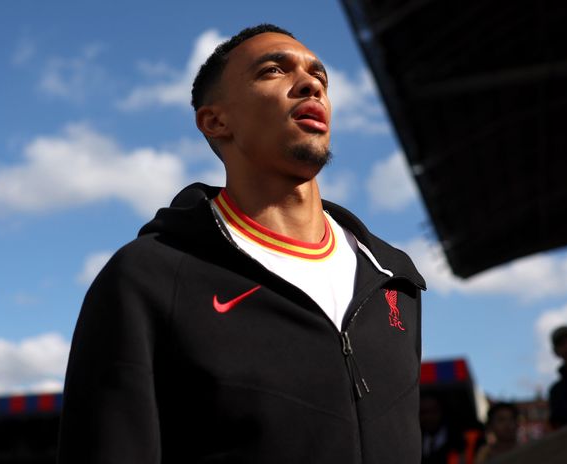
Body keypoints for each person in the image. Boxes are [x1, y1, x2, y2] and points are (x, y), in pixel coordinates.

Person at [57, 24, 425, 463]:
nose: (310, 84)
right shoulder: (147, 277)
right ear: (216, 121)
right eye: (274, 71)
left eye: (319, 77)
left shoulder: (393, 279)